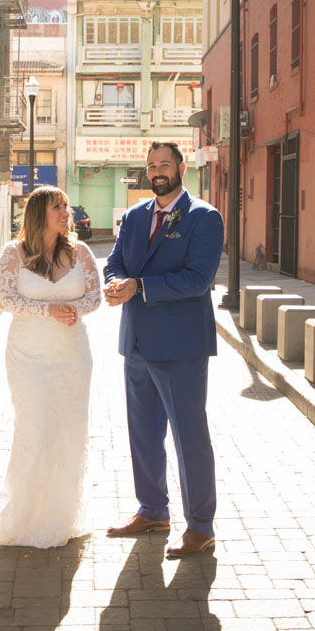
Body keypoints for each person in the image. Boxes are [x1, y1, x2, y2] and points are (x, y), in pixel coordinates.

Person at [103, 142, 224, 558]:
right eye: (151, 165)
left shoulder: (204, 217)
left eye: (164, 165)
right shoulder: (135, 216)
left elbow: (197, 280)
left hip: (180, 347)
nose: (157, 171)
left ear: (181, 168)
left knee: (189, 438)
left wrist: (141, 287)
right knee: (143, 436)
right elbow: (115, 261)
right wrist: (116, 282)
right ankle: (153, 510)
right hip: (135, 341)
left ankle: (201, 526)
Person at [0, 186, 101, 549]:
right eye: (58, 207)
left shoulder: (80, 252)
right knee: (34, 427)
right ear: (38, 213)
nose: (66, 213)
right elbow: (4, 298)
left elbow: (94, 296)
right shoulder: (13, 254)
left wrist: (73, 310)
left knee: (68, 431)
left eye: (66, 207)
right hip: (28, 355)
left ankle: (59, 518)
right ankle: (23, 517)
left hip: (72, 354)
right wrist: (47, 310)